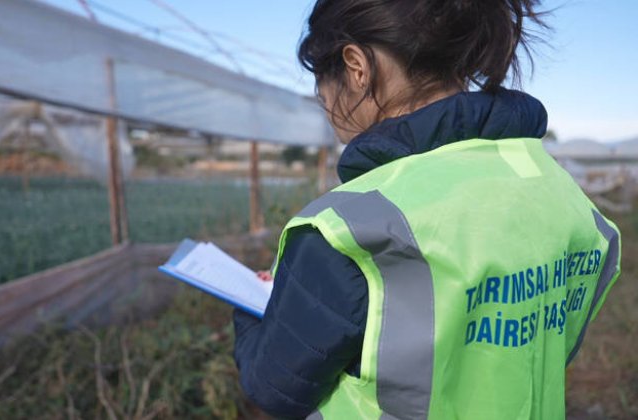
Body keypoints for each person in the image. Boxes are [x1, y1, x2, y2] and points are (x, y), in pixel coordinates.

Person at [232, 1, 622, 419]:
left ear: (356, 66)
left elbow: (276, 388)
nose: (324, 104)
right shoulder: (557, 189)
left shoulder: (347, 228)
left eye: (321, 85)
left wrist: (247, 307)